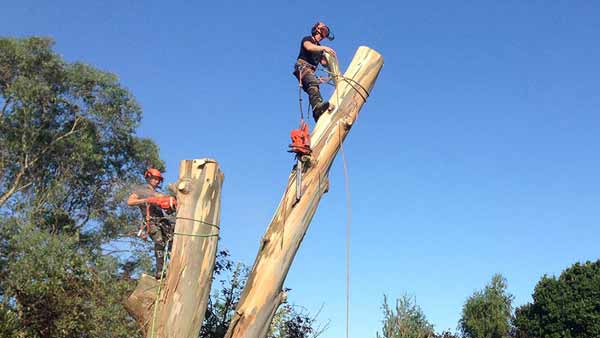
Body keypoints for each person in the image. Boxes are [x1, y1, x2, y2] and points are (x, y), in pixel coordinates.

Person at [127, 168, 174, 279]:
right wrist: (147, 200)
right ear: (148, 177)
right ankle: (160, 271)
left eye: (158, 179)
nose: (156, 181)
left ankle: (173, 265)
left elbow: (167, 206)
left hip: (162, 221)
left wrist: (170, 205)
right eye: (154, 178)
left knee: (172, 240)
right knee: (159, 243)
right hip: (151, 222)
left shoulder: (159, 194)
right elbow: (130, 202)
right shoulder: (141, 191)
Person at [293, 22, 337, 122]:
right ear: (315, 31)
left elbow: (324, 63)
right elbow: (309, 47)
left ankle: (317, 114)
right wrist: (324, 48)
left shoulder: (319, 48)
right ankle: (317, 107)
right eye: (320, 34)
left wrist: (331, 61)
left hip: (310, 72)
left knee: (313, 88)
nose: (321, 37)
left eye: (323, 36)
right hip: (302, 67)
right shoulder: (308, 39)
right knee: (313, 83)